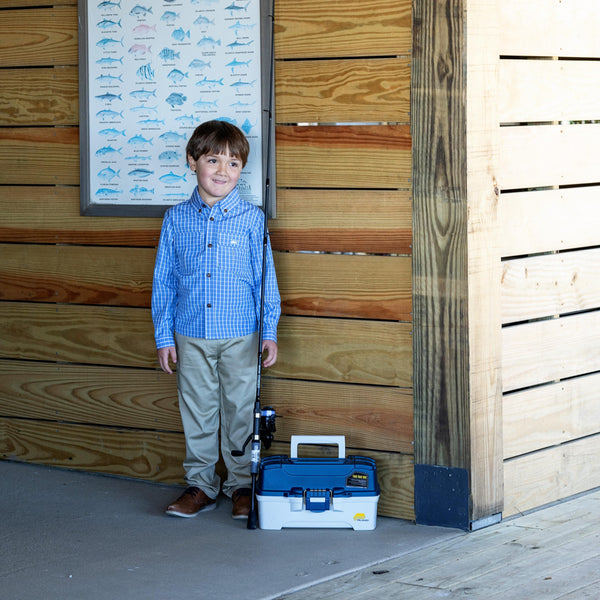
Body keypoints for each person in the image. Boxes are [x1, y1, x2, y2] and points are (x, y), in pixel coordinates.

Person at [152, 119, 281, 520]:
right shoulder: (175, 219)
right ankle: (201, 485)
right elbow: (163, 282)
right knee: (198, 410)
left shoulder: (252, 220)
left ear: (242, 170)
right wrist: (163, 336)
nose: (223, 171)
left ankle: (242, 485)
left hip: (241, 335)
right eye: (213, 160)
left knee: (241, 410)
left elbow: (266, 281)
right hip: (189, 334)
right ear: (193, 161)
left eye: (234, 164)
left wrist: (270, 330)